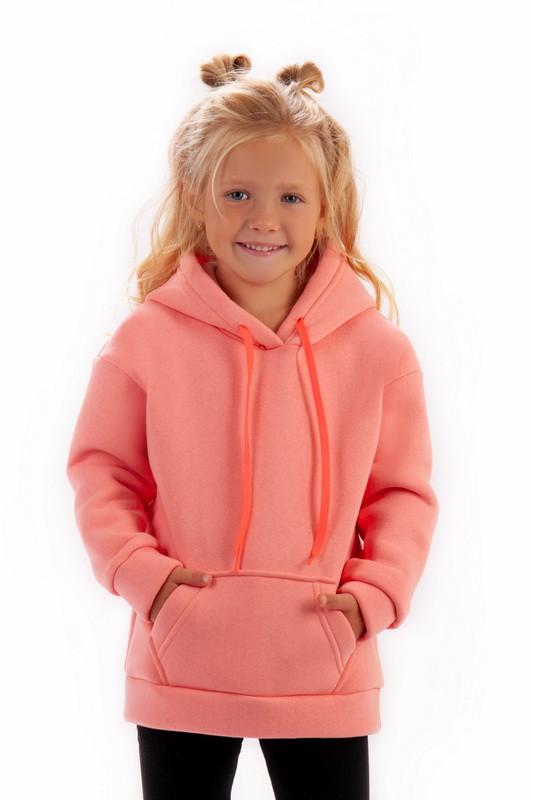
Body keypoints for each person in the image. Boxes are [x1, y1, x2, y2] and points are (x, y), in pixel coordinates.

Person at [66, 52, 439, 800]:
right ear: (196, 198)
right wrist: (147, 580)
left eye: (291, 197)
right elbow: (102, 471)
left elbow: (401, 494)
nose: (263, 218)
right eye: (237, 193)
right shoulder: (147, 340)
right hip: (184, 659)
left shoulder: (378, 351)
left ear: (325, 208)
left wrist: (372, 597)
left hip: (323, 663)